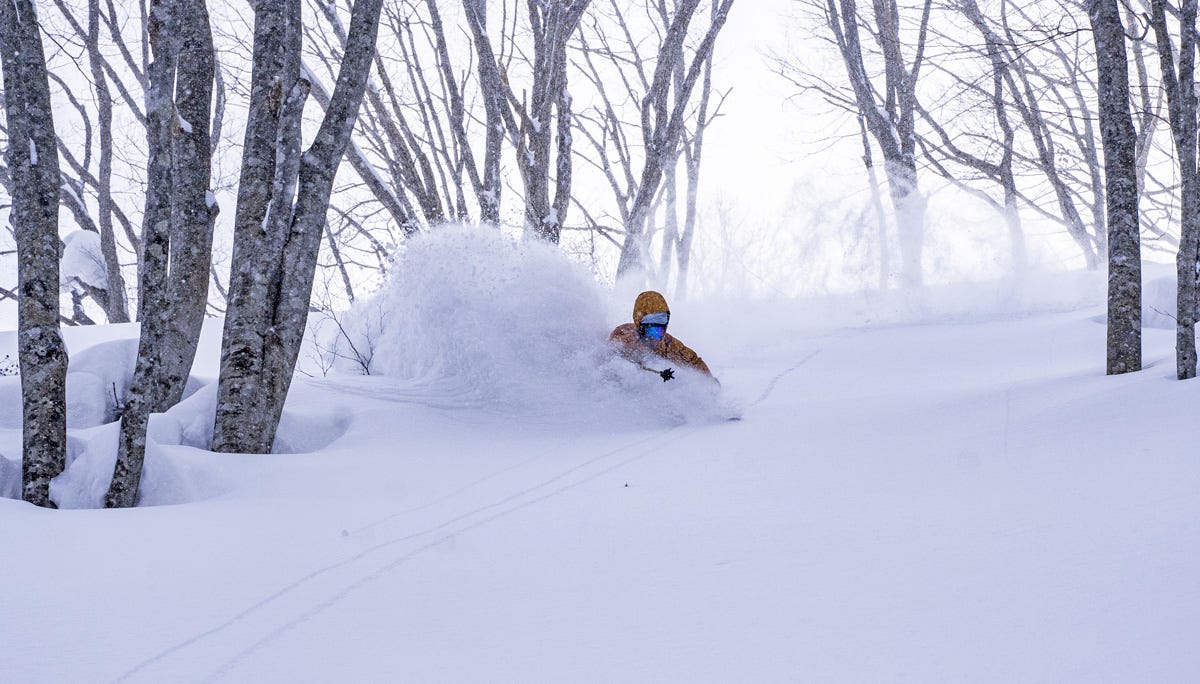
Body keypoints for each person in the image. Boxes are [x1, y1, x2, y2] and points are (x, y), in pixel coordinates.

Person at [609, 290, 713, 382]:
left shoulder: (667, 343)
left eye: (660, 330)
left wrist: (710, 382)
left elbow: (693, 361)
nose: (656, 337)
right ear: (640, 324)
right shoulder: (626, 336)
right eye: (651, 331)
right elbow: (609, 353)